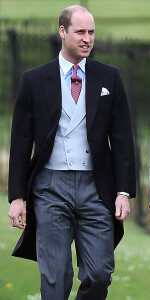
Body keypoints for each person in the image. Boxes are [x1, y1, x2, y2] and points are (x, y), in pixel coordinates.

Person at [8, 5, 135, 300]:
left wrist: (123, 192)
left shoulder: (110, 77)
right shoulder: (34, 80)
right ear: (63, 32)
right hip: (50, 187)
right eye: (80, 31)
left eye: (91, 32)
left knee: (100, 274)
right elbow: (20, 140)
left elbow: (123, 140)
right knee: (55, 277)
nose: (87, 38)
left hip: (96, 188)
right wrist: (17, 197)